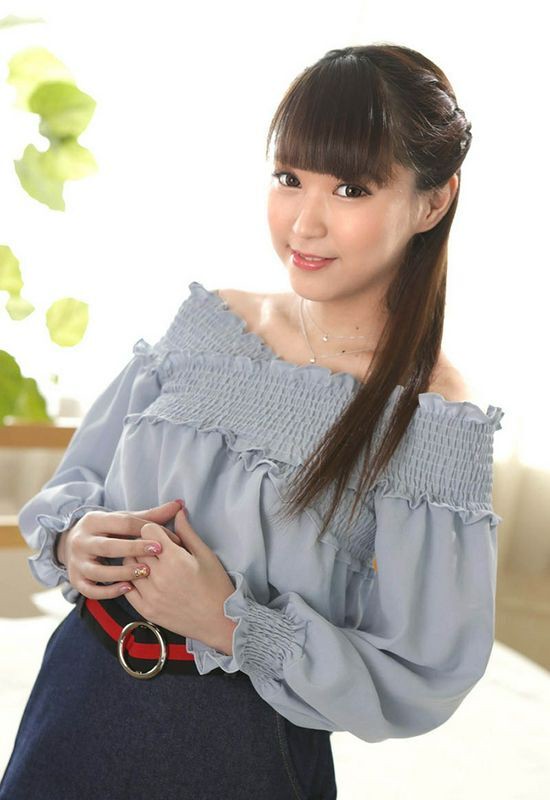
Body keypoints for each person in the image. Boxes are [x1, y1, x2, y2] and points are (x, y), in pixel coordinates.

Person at [0, 43, 505, 800]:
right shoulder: (210, 325)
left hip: (238, 744)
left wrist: (230, 621)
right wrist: (75, 541)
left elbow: (421, 672)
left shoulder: (432, 418)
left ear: (433, 202)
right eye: (288, 178)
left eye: (351, 189)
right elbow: (81, 482)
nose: (305, 222)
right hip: (78, 692)